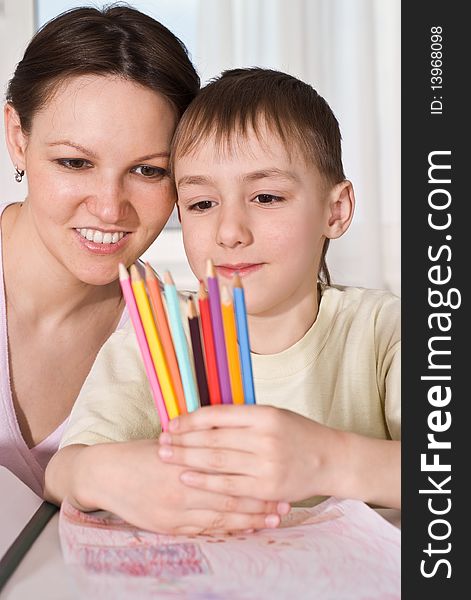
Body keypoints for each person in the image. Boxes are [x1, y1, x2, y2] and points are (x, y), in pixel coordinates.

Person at [45, 68, 400, 533]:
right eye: (201, 204)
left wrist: (326, 459)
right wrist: (108, 474)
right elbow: (61, 473)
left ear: (336, 210)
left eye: (267, 196)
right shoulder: (157, 336)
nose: (230, 232)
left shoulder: (386, 330)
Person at [0, 5, 200, 497]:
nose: (110, 209)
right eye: (74, 161)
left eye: (149, 170)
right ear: (17, 138)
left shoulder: (183, 340)